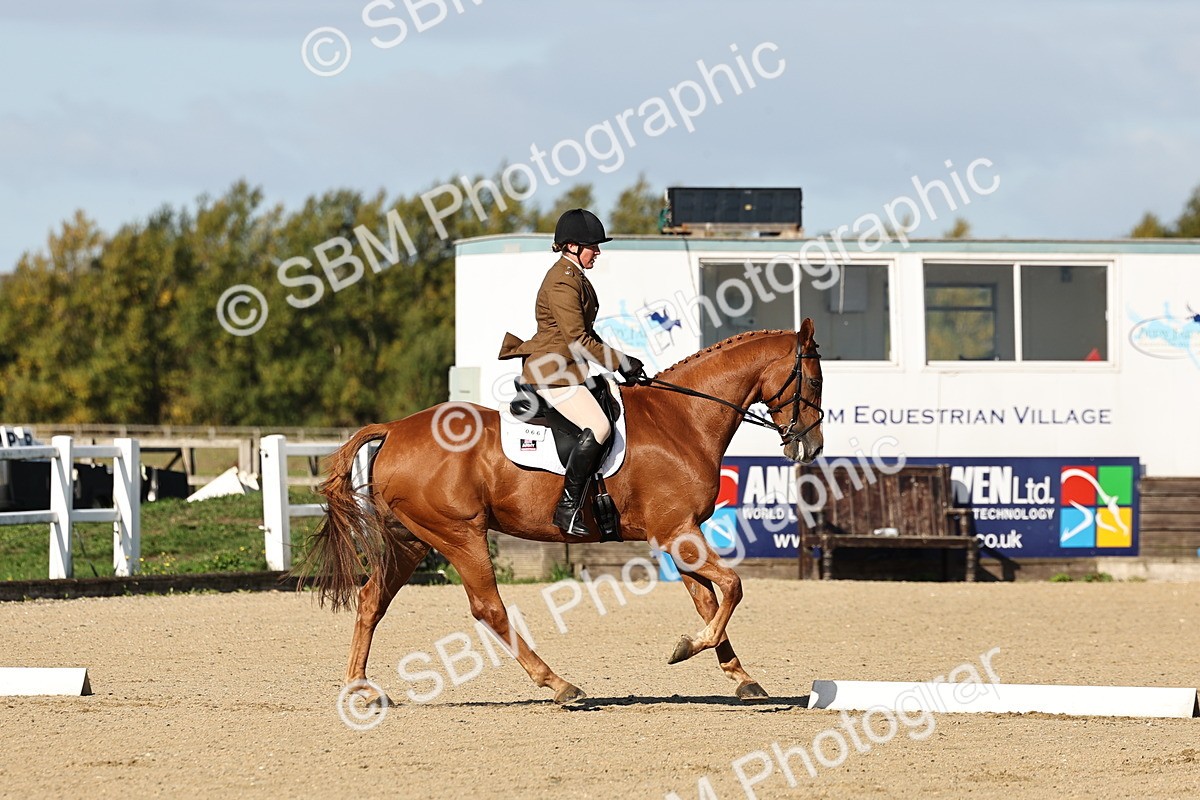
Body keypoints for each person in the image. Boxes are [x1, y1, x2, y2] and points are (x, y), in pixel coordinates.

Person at [498, 208, 645, 535]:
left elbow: (587, 335)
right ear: (572, 246)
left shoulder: (574, 276)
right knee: (599, 425)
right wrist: (620, 362)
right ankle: (567, 507)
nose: (598, 251)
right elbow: (578, 340)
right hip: (552, 371)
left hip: (568, 369)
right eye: (593, 245)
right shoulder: (562, 281)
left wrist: (624, 365)